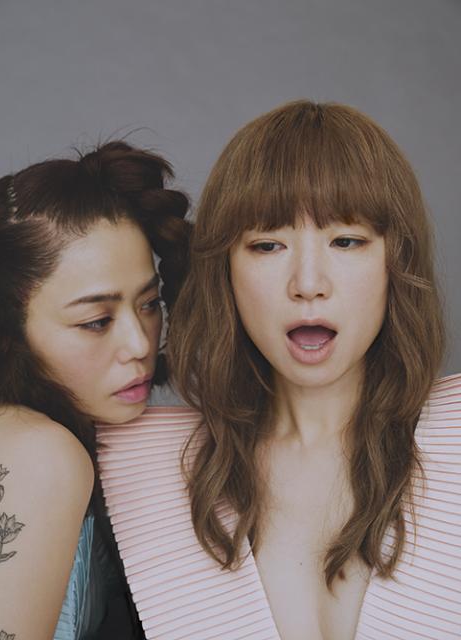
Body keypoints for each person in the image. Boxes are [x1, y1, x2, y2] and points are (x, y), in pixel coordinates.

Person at [97, 101, 460, 640]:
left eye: (346, 241)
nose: (308, 283)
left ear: (396, 262)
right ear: (226, 270)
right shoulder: (139, 467)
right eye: (267, 245)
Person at [0, 141, 190, 640]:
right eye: (96, 321)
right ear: (6, 328)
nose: (140, 344)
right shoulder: (40, 453)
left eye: (149, 304)